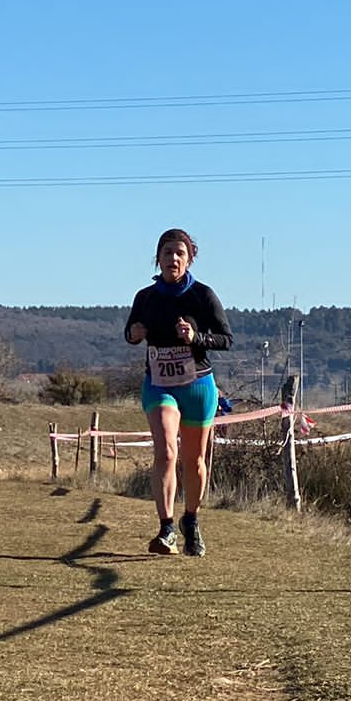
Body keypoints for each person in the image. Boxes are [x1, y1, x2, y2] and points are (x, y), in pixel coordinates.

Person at [125, 229, 232, 557]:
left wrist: (196, 337)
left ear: (189, 259)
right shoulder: (145, 297)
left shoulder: (202, 296)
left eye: (179, 253)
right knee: (166, 452)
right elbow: (129, 332)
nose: (173, 258)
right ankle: (166, 527)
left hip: (197, 385)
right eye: (167, 252)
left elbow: (226, 339)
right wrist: (134, 333)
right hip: (159, 384)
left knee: (194, 459)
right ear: (157, 258)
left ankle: (191, 520)